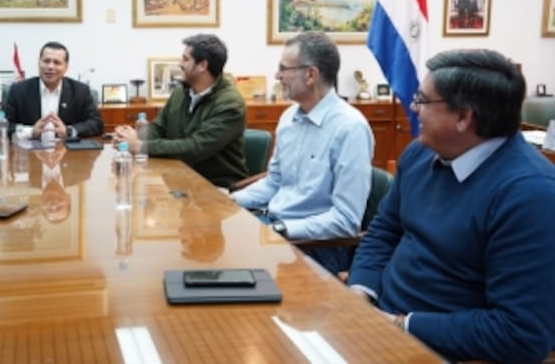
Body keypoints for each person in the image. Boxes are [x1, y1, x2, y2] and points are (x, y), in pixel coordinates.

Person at [347, 49, 555, 363]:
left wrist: (403, 325)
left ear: (463, 117)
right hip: (377, 327)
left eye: (422, 100)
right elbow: (384, 232)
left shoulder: (530, 196)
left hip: (437, 349)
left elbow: (520, 333)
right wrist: (360, 291)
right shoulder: (419, 155)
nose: (413, 108)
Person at [231, 31, 373, 274]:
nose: (277, 76)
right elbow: (275, 182)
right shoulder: (289, 118)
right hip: (275, 227)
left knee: (232, 271)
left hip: (317, 246)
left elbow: (346, 221)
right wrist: (228, 200)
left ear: (311, 75)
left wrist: (280, 229)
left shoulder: (350, 128)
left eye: (284, 69)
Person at [114, 34, 248, 188]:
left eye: (185, 59)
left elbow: (194, 148)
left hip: (216, 188)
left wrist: (139, 146)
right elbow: (159, 127)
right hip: (178, 179)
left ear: (202, 65)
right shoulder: (181, 91)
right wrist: (129, 138)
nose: (180, 64)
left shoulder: (230, 105)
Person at [4, 41, 103, 140]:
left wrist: (68, 131)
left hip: (68, 152)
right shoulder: (18, 91)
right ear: (39, 63)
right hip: (30, 151)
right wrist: (31, 132)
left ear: (66, 67)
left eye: (57, 62)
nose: (50, 67)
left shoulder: (80, 91)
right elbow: (4, 125)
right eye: (46, 61)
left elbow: (96, 124)